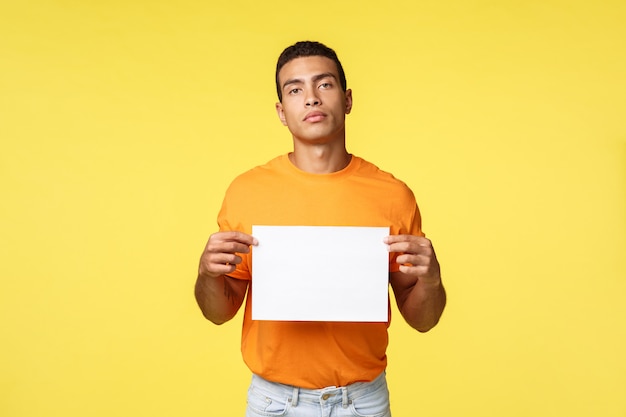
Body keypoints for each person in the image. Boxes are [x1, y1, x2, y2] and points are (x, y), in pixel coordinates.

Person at [195, 40, 446, 417]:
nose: (311, 98)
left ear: (346, 100)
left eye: (323, 84)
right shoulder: (246, 191)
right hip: (274, 403)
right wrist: (206, 272)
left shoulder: (392, 195)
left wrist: (432, 279)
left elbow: (423, 321)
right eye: (295, 89)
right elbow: (218, 312)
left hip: (362, 402)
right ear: (281, 111)